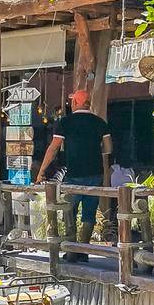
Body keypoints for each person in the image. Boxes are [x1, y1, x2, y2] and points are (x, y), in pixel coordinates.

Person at [35, 90, 112, 258]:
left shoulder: (65, 122)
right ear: (88, 103)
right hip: (95, 172)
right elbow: (108, 148)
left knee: (69, 211)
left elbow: (54, 147)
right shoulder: (100, 123)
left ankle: (71, 252)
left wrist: (41, 172)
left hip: (74, 173)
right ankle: (83, 251)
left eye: (72, 102)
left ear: (76, 102)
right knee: (89, 214)